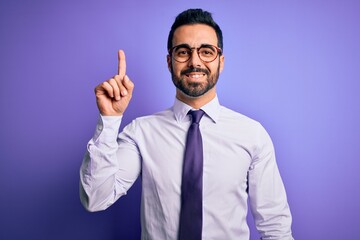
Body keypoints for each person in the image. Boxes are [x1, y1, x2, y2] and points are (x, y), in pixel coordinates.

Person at [80, 8, 294, 240]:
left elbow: (275, 227)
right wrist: (110, 120)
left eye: (206, 51)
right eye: (183, 52)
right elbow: (95, 198)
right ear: (169, 62)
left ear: (220, 62)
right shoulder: (141, 132)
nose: (195, 62)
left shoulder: (252, 135)